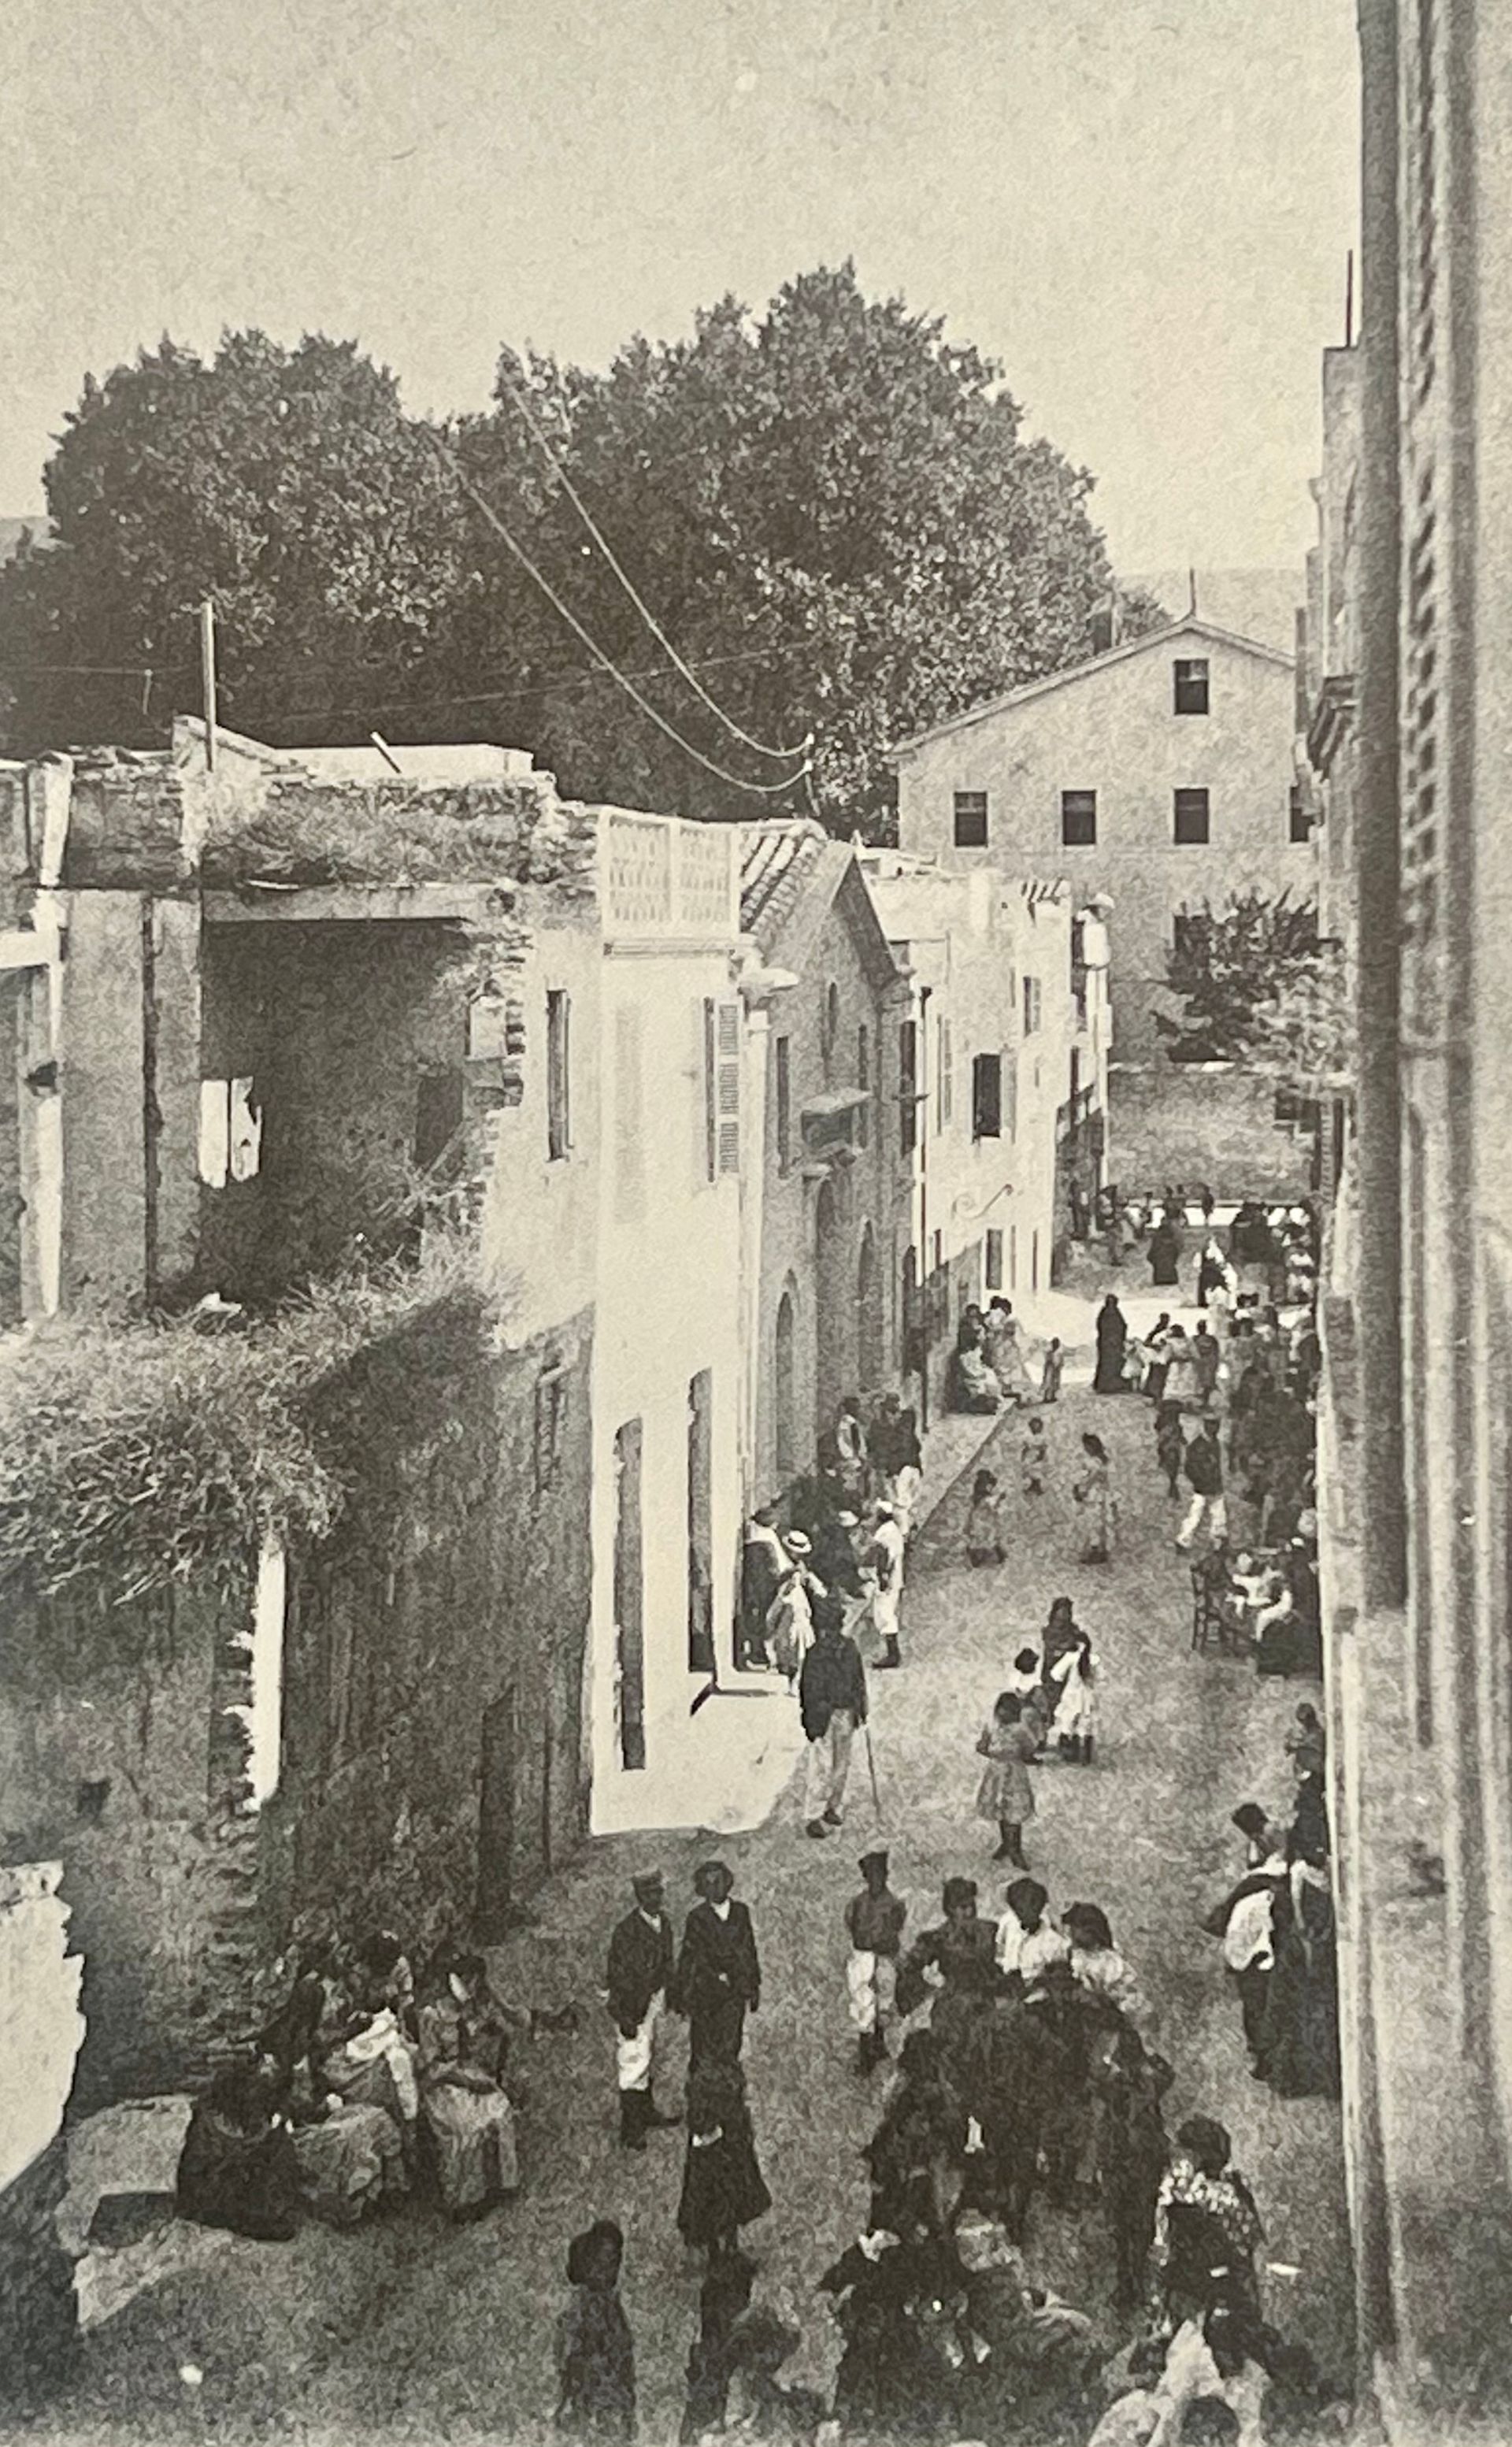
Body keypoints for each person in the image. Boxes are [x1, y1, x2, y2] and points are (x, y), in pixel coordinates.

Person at [416, 1950, 521, 2216]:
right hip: (440, 2082)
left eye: (476, 1981)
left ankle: (499, 2182)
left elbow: (479, 2042)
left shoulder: (468, 2009)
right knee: (466, 2124)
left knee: (497, 2108)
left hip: (465, 2073)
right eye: (469, 1980)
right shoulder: (431, 2014)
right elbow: (430, 2066)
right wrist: (467, 2081)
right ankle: (465, 2199)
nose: (473, 1987)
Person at [1151, 2118, 1264, 2326]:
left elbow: (1167, 2247)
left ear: (1194, 2156)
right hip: (1232, 2287)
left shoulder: (1187, 2195)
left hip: (1200, 2290)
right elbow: (1251, 2239)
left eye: (1182, 2152)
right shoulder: (1234, 2189)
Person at [176, 2061, 300, 2241]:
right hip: (212, 2199)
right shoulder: (210, 2124)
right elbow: (202, 2170)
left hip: (211, 2197)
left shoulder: (233, 2116)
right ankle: (255, 2219)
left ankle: (258, 2215)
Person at [1261, 1837, 1341, 2099]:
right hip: (1306, 1965)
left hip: (1312, 1960)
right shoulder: (1303, 1877)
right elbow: (1303, 1918)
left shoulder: (1312, 1875)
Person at [606, 1871, 679, 2150]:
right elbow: (617, 1976)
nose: (656, 1899)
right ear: (639, 1897)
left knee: (649, 2054)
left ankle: (647, 2113)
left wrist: (670, 1994)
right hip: (631, 2005)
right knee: (632, 2063)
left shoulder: (665, 1923)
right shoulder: (626, 1931)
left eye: (659, 1893)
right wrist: (624, 2016)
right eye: (649, 1894)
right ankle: (631, 2129)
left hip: (654, 1999)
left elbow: (667, 1962)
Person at [677, 2060, 771, 2266]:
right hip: (718, 2173)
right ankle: (720, 2256)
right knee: (718, 2212)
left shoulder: (725, 2122)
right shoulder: (708, 2134)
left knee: (729, 2210)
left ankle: (728, 2250)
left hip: (730, 2165)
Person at [672, 1861, 762, 2068]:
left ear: (728, 1883)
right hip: (706, 1994)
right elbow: (691, 1957)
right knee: (704, 2049)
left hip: (735, 1992)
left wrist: (753, 1986)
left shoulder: (740, 1912)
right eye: (709, 1883)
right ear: (702, 1888)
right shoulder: (697, 1918)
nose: (715, 1887)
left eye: (718, 1881)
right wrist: (684, 1995)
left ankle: (728, 2092)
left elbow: (749, 1950)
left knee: (730, 2045)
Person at [555, 2219, 636, 2441]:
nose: (608, 2272)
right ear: (588, 2265)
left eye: (614, 2263)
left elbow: (623, 2354)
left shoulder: (610, 2306)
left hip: (612, 2396)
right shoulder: (583, 2308)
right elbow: (571, 2355)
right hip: (593, 2396)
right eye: (601, 2264)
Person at [799, 1609, 867, 1837]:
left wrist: (862, 1707)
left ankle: (832, 1807)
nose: (830, 1635)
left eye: (834, 1629)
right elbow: (806, 1690)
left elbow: (859, 1681)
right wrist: (811, 1718)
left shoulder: (849, 1649)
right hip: (823, 1716)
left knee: (841, 1765)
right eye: (826, 1630)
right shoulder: (815, 1654)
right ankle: (814, 1815)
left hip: (846, 1712)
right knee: (821, 1767)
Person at [846, 1848, 907, 2073]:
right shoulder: (857, 1903)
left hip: (885, 1958)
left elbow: (896, 1928)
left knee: (884, 2002)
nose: (876, 1879)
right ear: (865, 1876)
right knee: (863, 2003)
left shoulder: (894, 1904)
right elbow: (852, 1925)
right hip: (862, 1957)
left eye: (880, 1874)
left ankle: (879, 2044)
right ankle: (865, 2056)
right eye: (871, 1874)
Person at [1063, 1903, 1150, 2034]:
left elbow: (1115, 1997)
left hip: (1104, 2016)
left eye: (1075, 1929)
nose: (1071, 1933)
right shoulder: (1075, 1954)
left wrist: (1097, 1996)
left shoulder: (1109, 1961)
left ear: (1091, 1932)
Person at [975, 1690, 1038, 1867]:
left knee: (1014, 1810)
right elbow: (982, 1746)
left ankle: (1015, 1848)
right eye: (1002, 1710)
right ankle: (1006, 1843)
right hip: (996, 1774)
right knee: (1000, 1808)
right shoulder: (991, 1727)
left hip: (1015, 1774)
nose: (1004, 1715)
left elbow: (1030, 1746)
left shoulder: (1020, 1730)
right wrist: (994, 1755)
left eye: (1009, 1711)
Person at [995, 1874, 1070, 1984]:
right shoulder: (1008, 1923)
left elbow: (1055, 1978)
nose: (1022, 1914)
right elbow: (999, 1951)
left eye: (1030, 1908)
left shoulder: (1054, 1943)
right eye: (1018, 1909)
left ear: (1040, 1908)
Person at [739, 1505, 788, 1671]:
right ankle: (761, 1653)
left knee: (760, 1617)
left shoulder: (755, 1535)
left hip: (758, 1583)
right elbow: (774, 1566)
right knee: (766, 1618)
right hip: (765, 1584)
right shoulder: (765, 1541)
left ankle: (761, 1652)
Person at [865, 1499, 906, 1669]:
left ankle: (893, 1655)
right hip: (895, 1577)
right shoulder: (893, 1530)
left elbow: (883, 1556)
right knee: (887, 1614)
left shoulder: (884, 1534)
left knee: (885, 1615)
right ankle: (893, 1653)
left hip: (888, 1579)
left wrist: (883, 1577)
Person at [764, 1548, 814, 1687]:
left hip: (800, 1628)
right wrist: (771, 1626)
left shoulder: (802, 1593)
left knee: (800, 1657)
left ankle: (796, 1682)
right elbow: (774, 1611)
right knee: (787, 1657)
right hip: (787, 1629)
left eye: (797, 1578)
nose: (795, 1580)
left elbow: (808, 1610)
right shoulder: (785, 1593)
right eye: (793, 1578)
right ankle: (790, 1681)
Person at [1047, 1624, 1097, 1763]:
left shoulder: (1070, 1657)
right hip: (1087, 1696)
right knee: (1085, 1724)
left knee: (1068, 1723)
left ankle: (1070, 1755)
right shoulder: (1094, 1659)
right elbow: (1100, 1678)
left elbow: (1055, 1674)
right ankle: (1086, 1757)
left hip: (1072, 1694)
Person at [1175, 1418, 1226, 1551]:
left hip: (1215, 1486)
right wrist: (1199, 1481)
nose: (1215, 1429)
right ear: (1205, 1426)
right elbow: (1189, 1468)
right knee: (1195, 1515)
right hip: (1202, 1488)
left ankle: (1217, 1542)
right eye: (1212, 1425)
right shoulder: (1197, 1446)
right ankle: (1183, 1540)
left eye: (1217, 1425)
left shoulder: (1215, 1443)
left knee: (1218, 1516)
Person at [1073, 1432, 1117, 1563]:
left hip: (1094, 1495)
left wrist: (1080, 1490)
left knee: (1094, 1523)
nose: (1086, 1449)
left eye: (1087, 1447)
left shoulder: (1095, 1463)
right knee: (1099, 1523)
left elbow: (1090, 1480)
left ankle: (1096, 1552)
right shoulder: (1103, 1461)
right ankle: (1100, 1550)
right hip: (1101, 1495)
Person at [984, 1297, 1034, 1404]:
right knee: (1007, 1368)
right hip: (1001, 1349)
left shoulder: (998, 1320)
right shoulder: (997, 1319)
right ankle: (1008, 1389)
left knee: (1010, 1368)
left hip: (1002, 1349)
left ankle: (1009, 1389)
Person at [964, 1468, 1006, 1566]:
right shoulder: (984, 1499)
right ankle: (978, 1557)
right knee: (985, 1537)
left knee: (985, 1538)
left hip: (984, 1520)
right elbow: (992, 1501)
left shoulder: (979, 1498)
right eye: (990, 1486)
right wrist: (1000, 1496)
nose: (992, 1488)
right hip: (982, 1521)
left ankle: (980, 1556)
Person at [1093, 1294, 1129, 1394]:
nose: (1111, 1304)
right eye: (1109, 1302)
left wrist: (1120, 1338)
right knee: (1106, 1365)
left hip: (1116, 1344)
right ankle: (1104, 1386)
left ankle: (1115, 1386)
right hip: (1107, 1344)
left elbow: (1122, 1326)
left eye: (1113, 1302)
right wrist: (1110, 1338)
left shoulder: (1117, 1313)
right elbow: (1101, 1327)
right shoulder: (1104, 1313)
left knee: (1116, 1364)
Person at [1285, 1702, 1326, 1778]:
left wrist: (1296, 1744)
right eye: (1301, 1721)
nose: (1303, 1723)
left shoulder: (1317, 1732)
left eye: (1304, 1720)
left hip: (1316, 1771)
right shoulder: (1308, 1731)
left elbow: (1312, 1742)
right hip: (1309, 1772)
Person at [1154, 1402, 1186, 1503]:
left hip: (1173, 1449)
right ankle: (1172, 1486)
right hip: (1170, 1449)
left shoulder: (1176, 1426)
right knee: (1172, 1467)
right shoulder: (1168, 1427)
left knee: (1174, 1467)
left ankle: (1172, 1486)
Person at [1147, 1210, 1182, 1288]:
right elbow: (1176, 1251)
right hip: (1171, 1276)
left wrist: (1152, 1258)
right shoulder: (1173, 1240)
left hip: (1159, 1277)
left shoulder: (1157, 1237)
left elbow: (1152, 1253)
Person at [1191, 1318, 1221, 1403]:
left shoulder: (1212, 1339)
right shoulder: (1194, 1339)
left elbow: (1216, 1352)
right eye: (1200, 1327)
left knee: (1208, 1384)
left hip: (1208, 1364)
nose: (1201, 1329)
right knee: (1198, 1384)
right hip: (1199, 1364)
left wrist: (1216, 1364)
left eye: (1202, 1327)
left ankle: (1205, 1401)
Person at [1021, 1412, 1049, 1496]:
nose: (1035, 1428)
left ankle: (1037, 1487)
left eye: (1037, 1426)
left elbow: (1043, 1448)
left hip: (1037, 1456)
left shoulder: (1042, 1438)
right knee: (1028, 1472)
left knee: (1036, 1472)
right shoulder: (1028, 1437)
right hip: (1029, 1456)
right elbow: (1025, 1448)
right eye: (1033, 1426)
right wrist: (1023, 1456)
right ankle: (1032, 1486)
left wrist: (1041, 1455)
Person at [1040, 1336, 1065, 1403]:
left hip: (1056, 1370)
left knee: (1055, 1384)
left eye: (1056, 1344)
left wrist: (1059, 1367)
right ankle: (1046, 1397)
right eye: (1054, 1344)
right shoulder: (1049, 1353)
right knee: (1048, 1383)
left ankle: (1053, 1397)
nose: (1055, 1345)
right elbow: (1047, 1361)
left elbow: (1062, 1362)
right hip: (1050, 1370)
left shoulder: (1059, 1353)